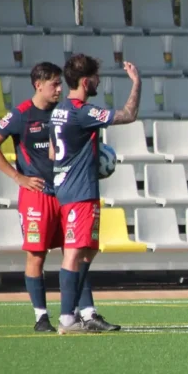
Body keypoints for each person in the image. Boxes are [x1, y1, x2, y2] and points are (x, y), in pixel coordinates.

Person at [50, 55, 142, 335]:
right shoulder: (82, 111)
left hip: (70, 186)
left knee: (87, 251)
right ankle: (68, 318)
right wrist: (137, 83)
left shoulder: (60, 110)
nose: (99, 82)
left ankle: (86, 313)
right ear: (86, 81)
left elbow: (54, 152)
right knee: (76, 251)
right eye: (97, 78)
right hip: (79, 191)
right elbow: (128, 115)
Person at [0, 63, 65, 332]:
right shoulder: (20, 115)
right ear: (38, 85)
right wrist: (18, 177)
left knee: (75, 252)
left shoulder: (63, 113)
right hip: (37, 196)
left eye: (60, 83)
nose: (60, 89)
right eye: (55, 84)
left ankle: (77, 313)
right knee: (36, 255)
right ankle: (41, 317)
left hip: (67, 193)